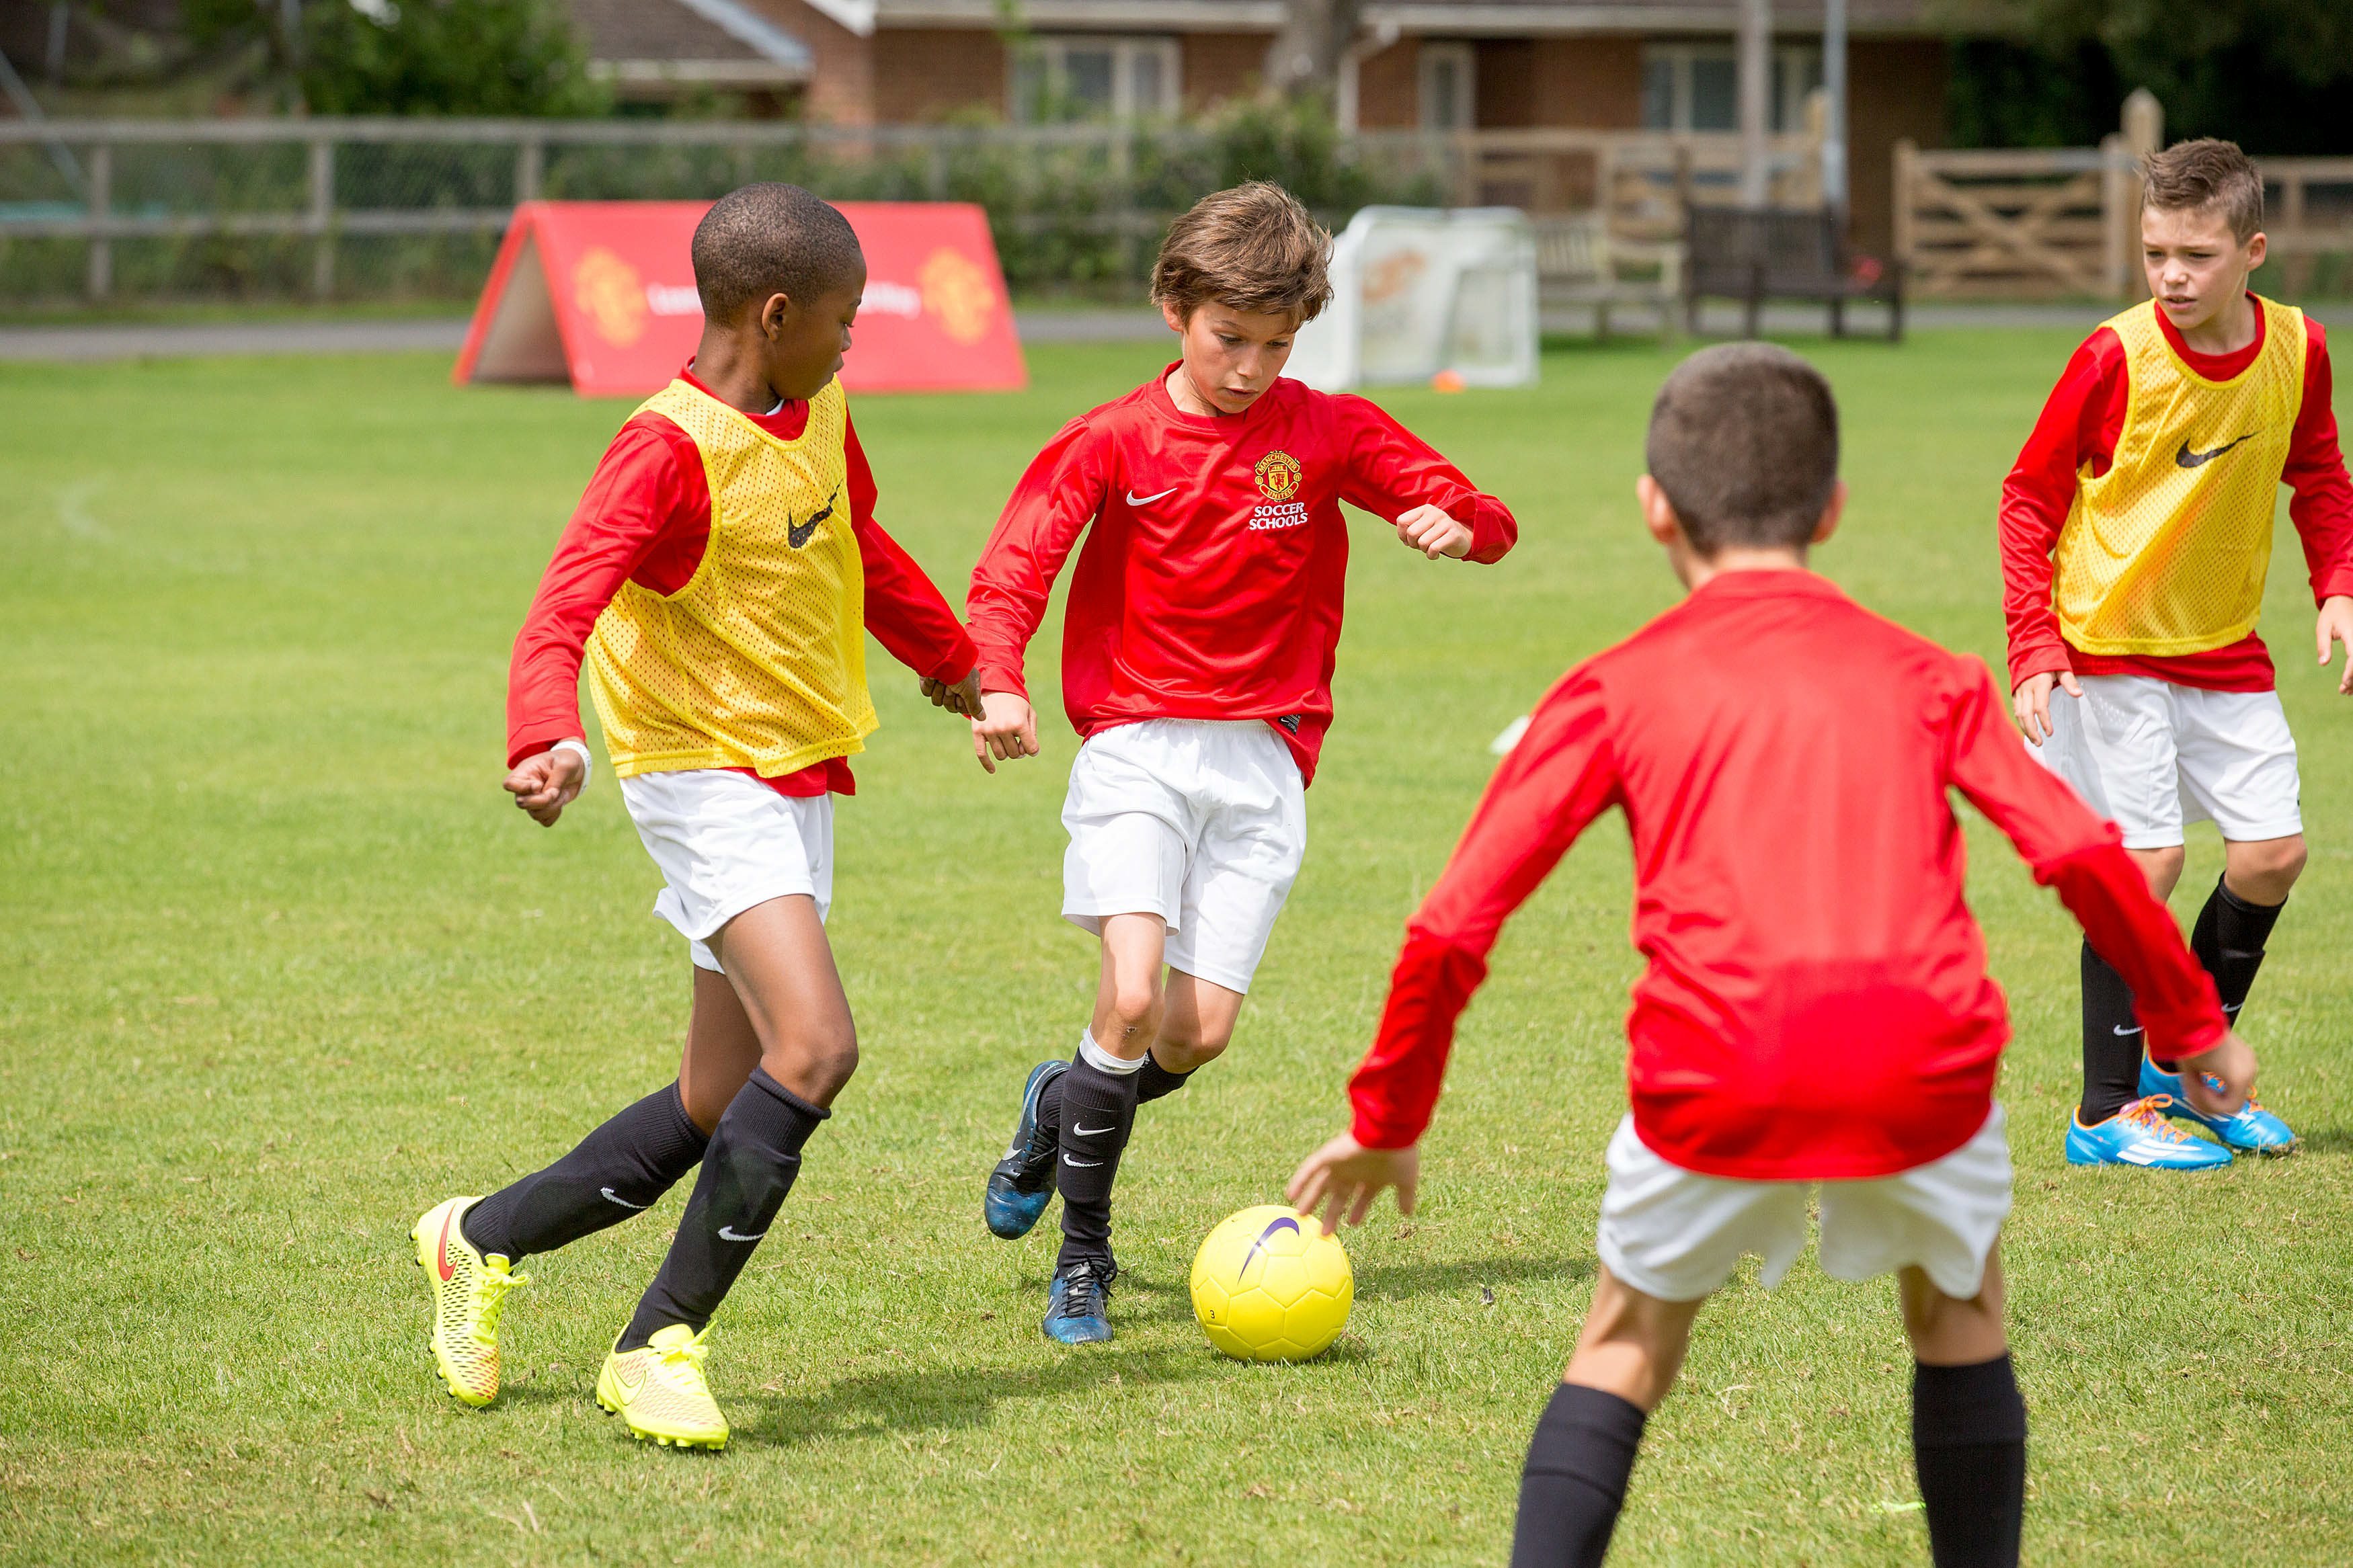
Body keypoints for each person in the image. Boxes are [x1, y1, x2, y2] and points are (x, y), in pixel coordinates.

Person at [1286, 343, 2258, 1568]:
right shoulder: (1932, 675)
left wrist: (1388, 1115)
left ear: (1655, 507)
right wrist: (2191, 1027)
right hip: (1921, 1064)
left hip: (1715, 1068)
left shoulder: (1612, 687)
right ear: (1834, 509)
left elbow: (1452, 926)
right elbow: (2080, 853)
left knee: (1627, 1342)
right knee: (1960, 1312)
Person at [411, 183, 984, 1451]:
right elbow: (562, 607)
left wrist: (955, 664)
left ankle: (475, 1239)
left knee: (720, 1098)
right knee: (819, 1046)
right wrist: (540, 740)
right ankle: (658, 1342)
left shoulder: (819, 405)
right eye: (842, 320)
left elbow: (859, 546)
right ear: (775, 314)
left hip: (794, 771)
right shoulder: (664, 451)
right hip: (698, 773)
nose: (853, 343)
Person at [964, 181, 1519, 1344]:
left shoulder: (1328, 431)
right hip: (1136, 746)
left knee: (1192, 1033)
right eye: (1230, 339)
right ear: (1175, 305)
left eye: (1276, 344)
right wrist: (1001, 678)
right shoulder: (1112, 440)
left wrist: (1459, 524)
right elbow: (1015, 567)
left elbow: (1478, 507)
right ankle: (1086, 1257)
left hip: (1265, 761)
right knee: (1127, 990)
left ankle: (1054, 1105)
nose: (1251, 367)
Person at [2001, 136, 2353, 1167]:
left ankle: (2187, 1067)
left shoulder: (2301, 347)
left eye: (2195, 255)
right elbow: (2029, 497)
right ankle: (2107, 1113)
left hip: (2222, 644)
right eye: (2155, 253)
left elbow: (2320, 474)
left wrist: (2337, 584)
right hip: (2105, 643)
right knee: (2146, 863)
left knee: (2273, 854)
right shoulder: (2114, 356)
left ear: (2252, 251)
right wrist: (2033, 643)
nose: (2171, 276)